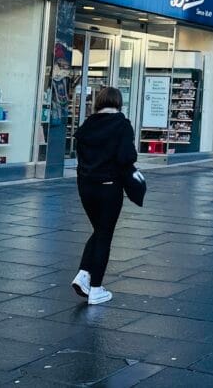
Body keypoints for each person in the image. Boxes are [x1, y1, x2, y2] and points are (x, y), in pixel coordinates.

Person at [71, 87, 137, 305]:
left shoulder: (87, 125)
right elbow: (126, 156)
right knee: (104, 235)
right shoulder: (121, 124)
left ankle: (84, 274)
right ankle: (96, 288)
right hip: (109, 186)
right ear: (118, 102)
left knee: (99, 231)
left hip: (85, 186)